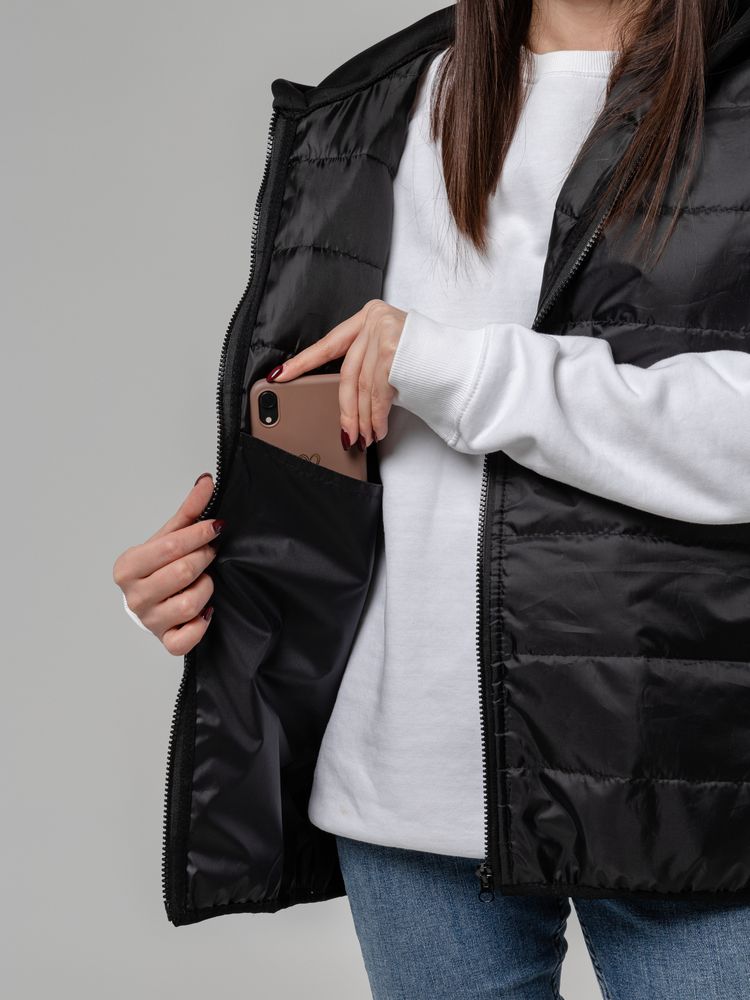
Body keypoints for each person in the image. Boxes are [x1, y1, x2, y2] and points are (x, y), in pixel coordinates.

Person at [113, 0, 750, 996]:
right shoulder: (373, 104)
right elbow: (333, 429)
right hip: (401, 792)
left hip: (688, 789)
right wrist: (214, 583)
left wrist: (465, 370)